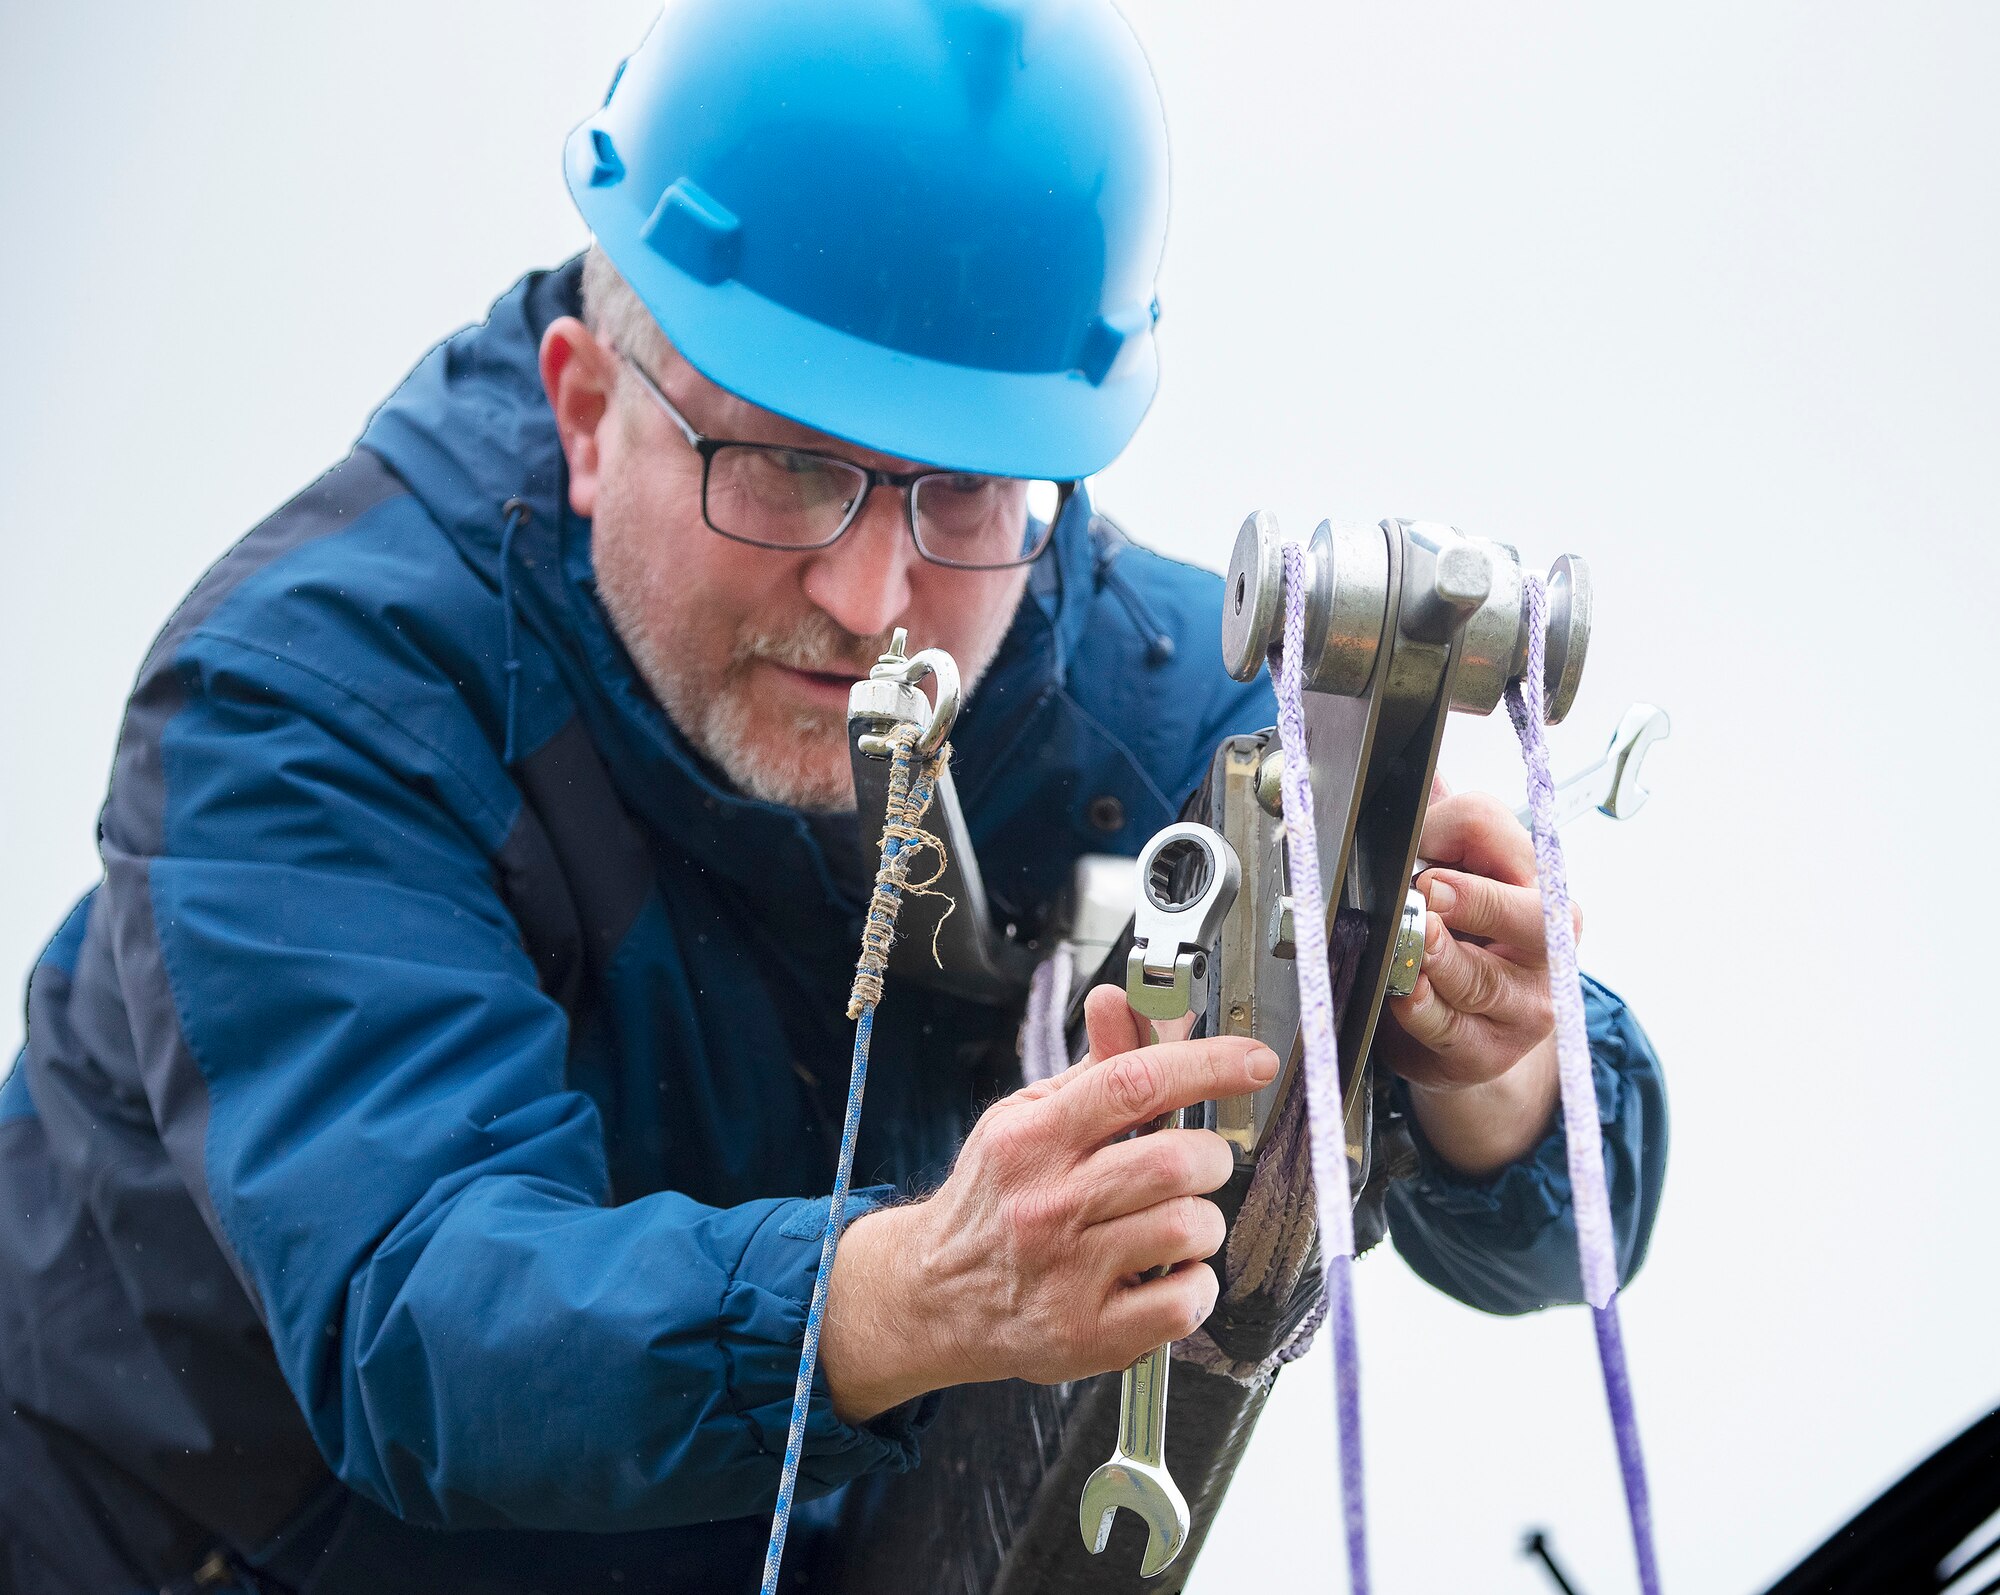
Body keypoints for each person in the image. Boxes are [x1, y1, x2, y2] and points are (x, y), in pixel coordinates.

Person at [0, 3, 1667, 1591]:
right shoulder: (306, 706)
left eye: (960, 489)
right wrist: (915, 1296)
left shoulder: (1137, 685)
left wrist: (1494, 1068)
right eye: (789, 467)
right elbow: (418, 1329)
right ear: (589, 413)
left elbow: (1573, 1236)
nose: (873, 597)